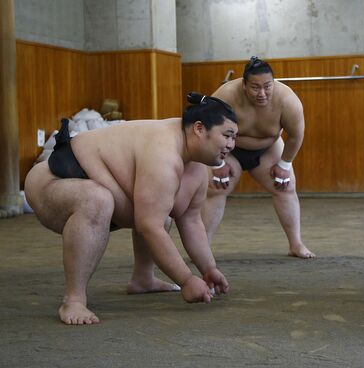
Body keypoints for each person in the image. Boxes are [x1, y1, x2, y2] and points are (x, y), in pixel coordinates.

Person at [23, 92, 237, 325]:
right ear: (199, 128)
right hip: (53, 181)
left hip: (95, 187)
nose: (231, 145)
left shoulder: (194, 164)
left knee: (157, 208)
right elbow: (149, 226)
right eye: (227, 135)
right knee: (100, 200)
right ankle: (74, 299)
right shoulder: (164, 153)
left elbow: (191, 220)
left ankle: (143, 280)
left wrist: (208, 269)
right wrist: (186, 279)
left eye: (234, 137)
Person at [204, 56, 314, 259]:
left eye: (267, 86)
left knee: (285, 186)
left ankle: (296, 244)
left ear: (274, 83)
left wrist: (284, 163)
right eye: (255, 87)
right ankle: (202, 247)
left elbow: (296, 135)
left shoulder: (287, 100)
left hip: (268, 147)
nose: (262, 93)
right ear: (244, 84)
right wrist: (217, 162)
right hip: (230, 149)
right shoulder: (226, 95)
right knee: (217, 187)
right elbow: (207, 130)